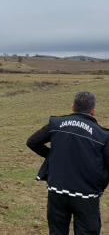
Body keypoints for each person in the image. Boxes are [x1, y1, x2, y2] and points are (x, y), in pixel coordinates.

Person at [27, 91, 109, 234]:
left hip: (57, 190)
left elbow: (33, 142)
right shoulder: (102, 135)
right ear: (93, 111)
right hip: (86, 195)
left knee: (57, 231)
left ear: (72, 108)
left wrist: (52, 157)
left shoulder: (56, 123)